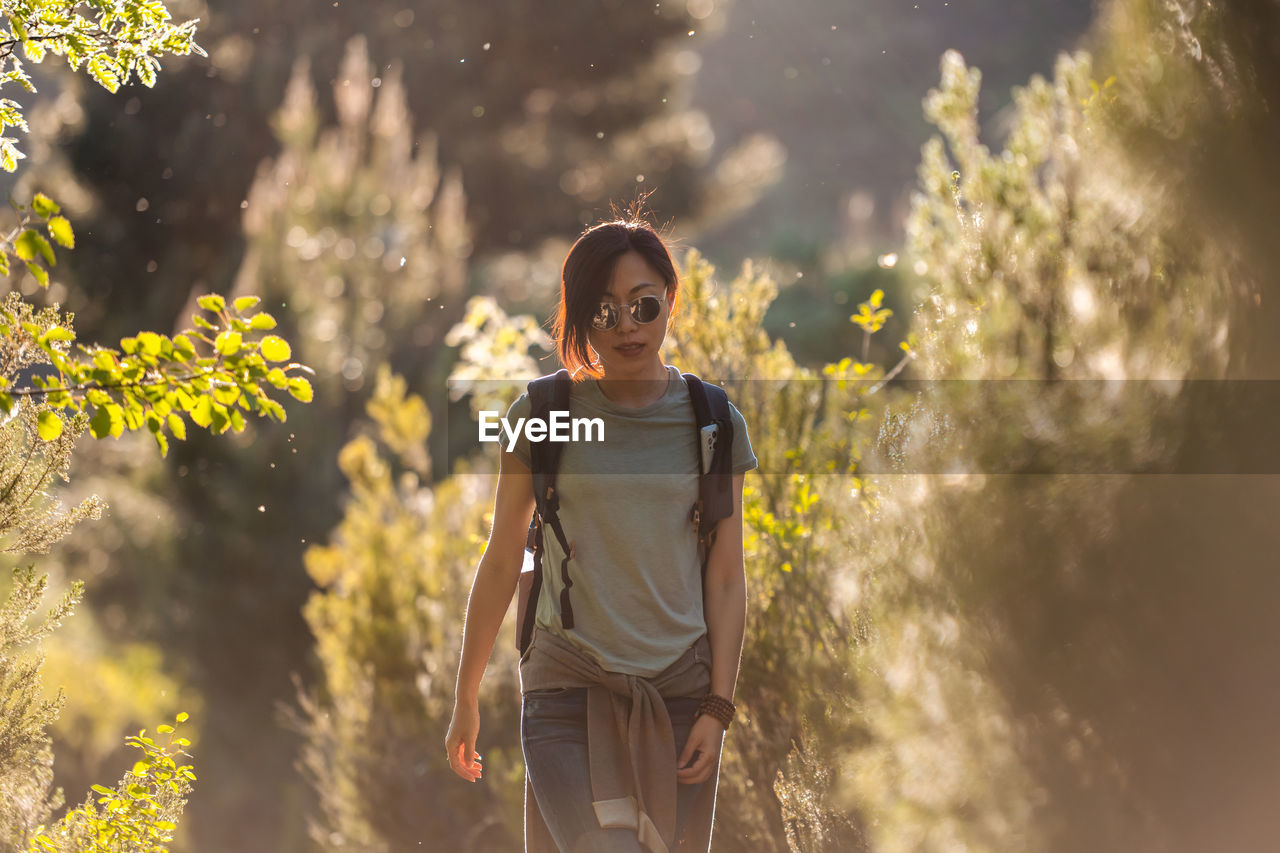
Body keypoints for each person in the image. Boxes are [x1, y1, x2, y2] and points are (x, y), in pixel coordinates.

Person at [445, 212, 757, 852]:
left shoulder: (713, 423)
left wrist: (717, 710)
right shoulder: (545, 416)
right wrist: (467, 696)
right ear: (580, 318)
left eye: (643, 306)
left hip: (681, 693)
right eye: (603, 312)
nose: (627, 327)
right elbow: (503, 559)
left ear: (669, 301)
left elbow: (725, 577)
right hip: (567, 690)